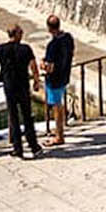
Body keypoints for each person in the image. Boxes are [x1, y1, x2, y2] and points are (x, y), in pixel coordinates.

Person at [0, 24, 42, 158]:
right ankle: (33, 145)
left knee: (13, 118)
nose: (22, 34)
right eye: (21, 32)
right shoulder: (26, 49)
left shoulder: (2, 49)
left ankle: (17, 148)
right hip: (23, 86)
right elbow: (33, 65)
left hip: (9, 87)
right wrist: (37, 81)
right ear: (17, 34)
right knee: (27, 117)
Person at [41, 14, 75, 147]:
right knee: (59, 104)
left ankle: (59, 135)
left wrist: (42, 65)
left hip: (54, 79)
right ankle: (59, 131)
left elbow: (49, 68)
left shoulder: (52, 45)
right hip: (65, 74)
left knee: (57, 106)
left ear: (49, 28)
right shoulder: (68, 38)